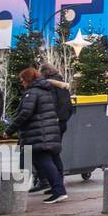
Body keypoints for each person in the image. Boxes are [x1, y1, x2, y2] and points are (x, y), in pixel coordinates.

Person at [11, 67, 67, 203]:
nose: (22, 83)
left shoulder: (32, 93)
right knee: (51, 160)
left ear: (28, 79)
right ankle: (57, 188)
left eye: (22, 80)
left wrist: (10, 129)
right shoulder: (46, 90)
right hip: (50, 130)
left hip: (39, 133)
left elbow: (25, 113)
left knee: (43, 160)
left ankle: (58, 190)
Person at [40, 63, 74, 179]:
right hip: (61, 122)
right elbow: (68, 105)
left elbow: (52, 103)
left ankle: (54, 181)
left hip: (54, 123)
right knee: (54, 152)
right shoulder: (61, 84)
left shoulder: (50, 85)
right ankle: (56, 180)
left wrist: (54, 118)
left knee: (51, 153)